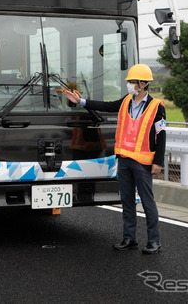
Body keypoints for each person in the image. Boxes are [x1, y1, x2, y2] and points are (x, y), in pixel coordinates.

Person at [63, 64, 166, 254]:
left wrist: (158, 162)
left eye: (132, 82)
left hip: (143, 162)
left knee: (147, 201)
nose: (129, 85)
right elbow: (106, 106)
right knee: (127, 200)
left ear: (143, 84)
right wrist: (81, 101)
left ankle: (154, 241)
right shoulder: (126, 100)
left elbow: (161, 135)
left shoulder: (156, 107)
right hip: (124, 159)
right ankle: (129, 238)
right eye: (129, 82)